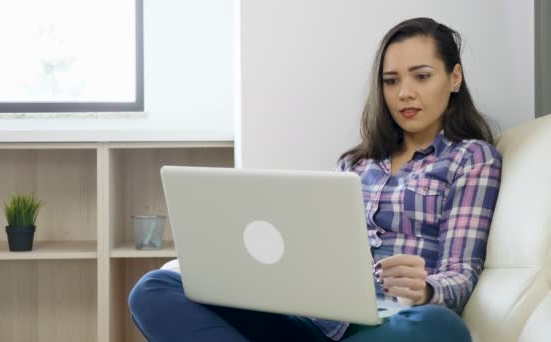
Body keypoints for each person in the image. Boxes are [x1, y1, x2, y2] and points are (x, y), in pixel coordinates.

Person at [128, 17, 502, 342]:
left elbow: (461, 273)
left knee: (442, 328)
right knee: (154, 287)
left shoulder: (470, 158)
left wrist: (426, 291)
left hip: (395, 321)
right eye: (391, 81)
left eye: (421, 76)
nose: (404, 92)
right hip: (313, 320)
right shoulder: (355, 164)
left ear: (454, 78)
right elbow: (310, 252)